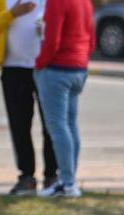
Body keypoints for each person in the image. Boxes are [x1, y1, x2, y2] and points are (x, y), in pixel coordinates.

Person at [32, 0, 93, 199]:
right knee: (70, 125)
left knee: (58, 126)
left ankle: (67, 184)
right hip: (78, 67)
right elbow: (91, 37)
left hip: (58, 69)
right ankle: (69, 180)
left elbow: (52, 39)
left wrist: (39, 64)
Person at [0, 0, 58, 195]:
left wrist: (46, 31)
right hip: (13, 68)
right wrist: (12, 14)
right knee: (19, 125)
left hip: (46, 67)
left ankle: (52, 176)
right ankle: (26, 177)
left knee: (51, 125)